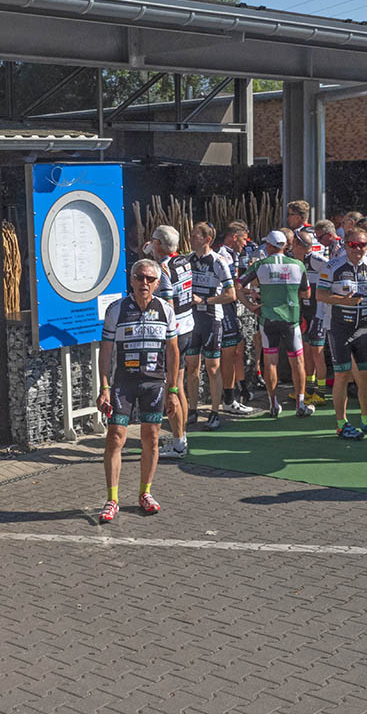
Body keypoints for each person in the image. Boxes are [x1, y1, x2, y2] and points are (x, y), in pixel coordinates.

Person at [96, 258, 180, 522]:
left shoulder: (165, 309)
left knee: (151, 438)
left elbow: (173, 351)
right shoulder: (117, 309)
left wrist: (173, 390)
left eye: (150, 279)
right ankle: (112, 499)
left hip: (154, 383)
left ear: (157, 283)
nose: (144, 282)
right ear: (131, 280)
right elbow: (105, 350)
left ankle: (145, 492)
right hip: (124, 383)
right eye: (139, 277)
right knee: (115, 437)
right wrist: (104, 387)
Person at [316, 227, 367, 440]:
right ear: (345, 245)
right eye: (353, 245)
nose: (358, 249)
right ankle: (341, 424)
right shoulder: (332, 266)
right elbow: (320, 294)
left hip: (363, 326)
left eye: (362, 245)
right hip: (339, 327)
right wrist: (343, 301)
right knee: (342, 375)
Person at [239, 230, 314, 418]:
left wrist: (250, 305)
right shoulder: (298, 265)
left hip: (268, 319)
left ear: (270, 246)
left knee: (270, 361)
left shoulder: (260, 265)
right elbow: (306, 294)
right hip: (291, 319)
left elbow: (238, 285)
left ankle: (273, 405)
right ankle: (301, 404)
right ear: (285, 245)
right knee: (297, 361)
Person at [149, 225, 194, 459]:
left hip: (173, 335)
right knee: (179, 385)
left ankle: (178, 444)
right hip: (188, 327)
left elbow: (168, 306)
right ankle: (181, 437)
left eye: (153, 242)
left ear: (158, 244)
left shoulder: (163, 270)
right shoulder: (183, 261)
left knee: (171, 389)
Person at [187, 222, 235, 430]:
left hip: (211, 319)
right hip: (191, 320)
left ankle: (215, 412)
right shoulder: (187, 260)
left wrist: (204, 301)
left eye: (195, 236)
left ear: (207, 239)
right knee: (191, 366)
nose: (190, 239)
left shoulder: (218, 262)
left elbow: (231, 295)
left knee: (212, 367)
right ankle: (192, 410)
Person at [216, 221, 253, 415]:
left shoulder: (233, 254)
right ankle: (228, 399)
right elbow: (227, 287)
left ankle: (238, 390)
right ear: (234, 237)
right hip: (222, 308)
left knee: (237, 349)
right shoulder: (222, 255)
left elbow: (235, 285)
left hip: (230, 306)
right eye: (244, 239)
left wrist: (248, 297)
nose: (245, 244)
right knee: (229, 352)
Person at [293, 231, 329, 405]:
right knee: (306, 352)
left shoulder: (315, 259)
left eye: (294, 244)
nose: (291, 248)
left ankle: (321, 393)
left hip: (318, 313)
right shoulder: (297, 262)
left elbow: (332, 270)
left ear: (301, 246)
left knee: (317, 353)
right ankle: (308, 389)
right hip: (306, 312)